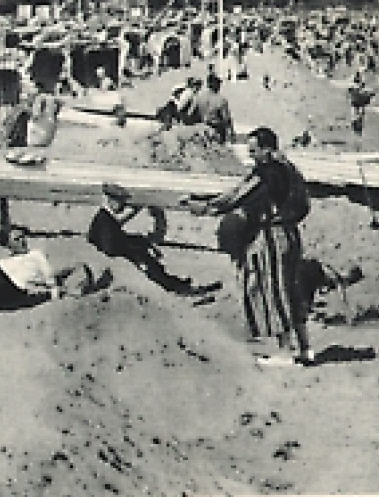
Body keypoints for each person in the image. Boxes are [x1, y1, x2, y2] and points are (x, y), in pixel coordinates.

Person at [192, 126, 314, 365]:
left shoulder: (268, 174)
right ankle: (305, 349)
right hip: (290, 234)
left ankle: (284, 353)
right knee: (291, 289)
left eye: (254, 151)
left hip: (271, 237)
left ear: (267, 150)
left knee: (272, 291)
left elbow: (239, 195)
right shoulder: (289, 169)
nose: (251, 156)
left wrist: (206, 206)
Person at [0, 228, 102, 317]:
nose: (22, 241)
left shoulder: (35, 255)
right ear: (9, 244)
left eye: (23, 238)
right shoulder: (3, 262)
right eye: (17, 239)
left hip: (16, 292)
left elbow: (51, 280)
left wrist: (54, 287)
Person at [88, 183, 201, 297]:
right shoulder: (105, 221)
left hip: (111, 256)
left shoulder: (105, 217)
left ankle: (174, 284)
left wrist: (140, 242)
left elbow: (117, 235)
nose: (123, 205)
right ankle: (174, 287)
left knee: (149, 260)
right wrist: (134, 250)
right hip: (111, 262)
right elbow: (110, 248)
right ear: (110, 200)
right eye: (121, 202)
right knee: (148, 265)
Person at [195, 72, 234, 143]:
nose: (220, 85)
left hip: (201, 129)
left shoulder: (199, 97)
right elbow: (226, 118)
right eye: (218, 83)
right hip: (216, 130)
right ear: (215, 84)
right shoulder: (220, 99)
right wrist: (232, 132)